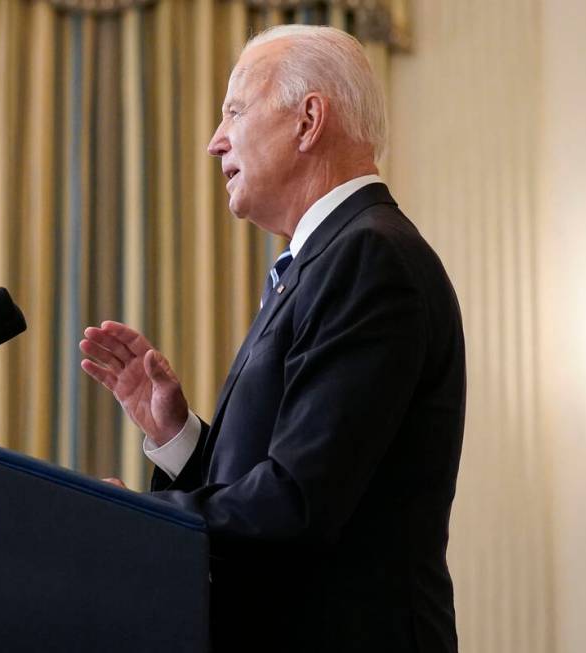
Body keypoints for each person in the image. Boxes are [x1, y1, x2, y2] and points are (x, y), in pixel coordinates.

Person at [79, 25, 465, 653]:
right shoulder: (323, 260)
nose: (215, 141)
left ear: (309, 120)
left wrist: (144, 521)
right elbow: (279, 480)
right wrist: (176, 436)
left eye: (234, 111)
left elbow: (298, 504)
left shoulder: (368, 257)